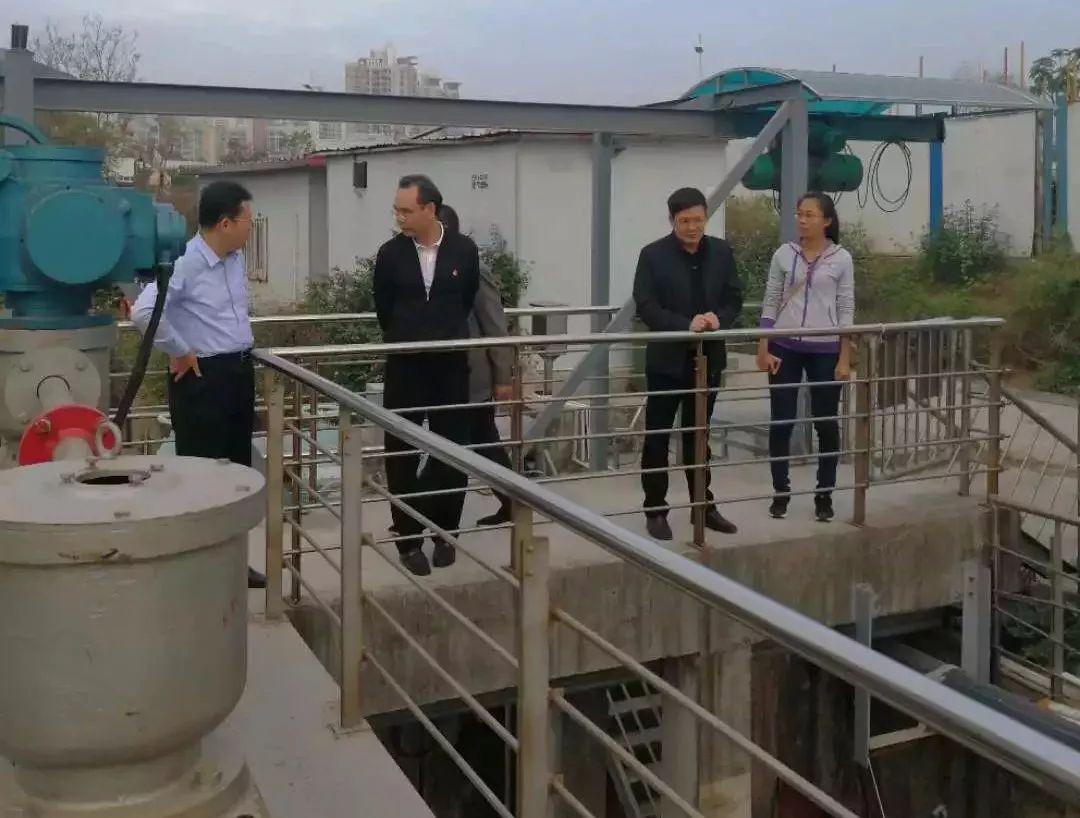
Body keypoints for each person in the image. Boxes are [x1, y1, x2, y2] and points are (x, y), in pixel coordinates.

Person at [132, 180, 266, 588]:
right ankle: (202, 571)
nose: (250, 228)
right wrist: (179, 348)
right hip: (203, 379)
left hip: (238, 372)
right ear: (225, 223)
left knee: (237, 473)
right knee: (202, 474)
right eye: (247, 221)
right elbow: (143, 311)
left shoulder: (234, 260)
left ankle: (233, 564)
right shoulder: (187, 262)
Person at [374, 175, 481, 577]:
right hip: (406, 366)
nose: (399, 217)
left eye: (407, 210)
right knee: (401, 452)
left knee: (451, 450)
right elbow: (384, 308)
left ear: (429, 209)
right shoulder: (390, 254)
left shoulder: (464, 250)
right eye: (397, 210)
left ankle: (445, 532)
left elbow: (466, 299)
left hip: (450, 366)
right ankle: (408, 539)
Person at [632, 187, 743, 541]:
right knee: (657, 437)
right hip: (667, 361)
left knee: (699, 435)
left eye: (698, 220)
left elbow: (734, 298)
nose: (692, 227)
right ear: (672, 220)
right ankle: (655, 509)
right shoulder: (653, 255)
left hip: (707, 359)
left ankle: (703, 506)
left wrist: (719, 318)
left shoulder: (721, 252)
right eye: (684, 221)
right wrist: (685, 325)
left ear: (705, 217)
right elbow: (646, 305)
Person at [756, 191, 855, 523]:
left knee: (825, 422)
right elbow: (771, 299)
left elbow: (846, 307)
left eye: (809, 215)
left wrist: (844, 357)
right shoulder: (784, 254)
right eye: (799, 214)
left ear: (826, 220)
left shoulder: (842, 258)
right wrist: (763, 345)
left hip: (826, 349)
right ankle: (780, 492)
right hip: (784, 346)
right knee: (781, 420)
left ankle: (824, 494)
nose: (802, 220)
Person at [436, 204, 515, 526]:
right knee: (478, 442)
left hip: (472, 378)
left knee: (476, 442)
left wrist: (503, 377)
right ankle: (514, 501)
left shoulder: (474, 270)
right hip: (441, 375)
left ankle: (514, 500)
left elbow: (495, 326)